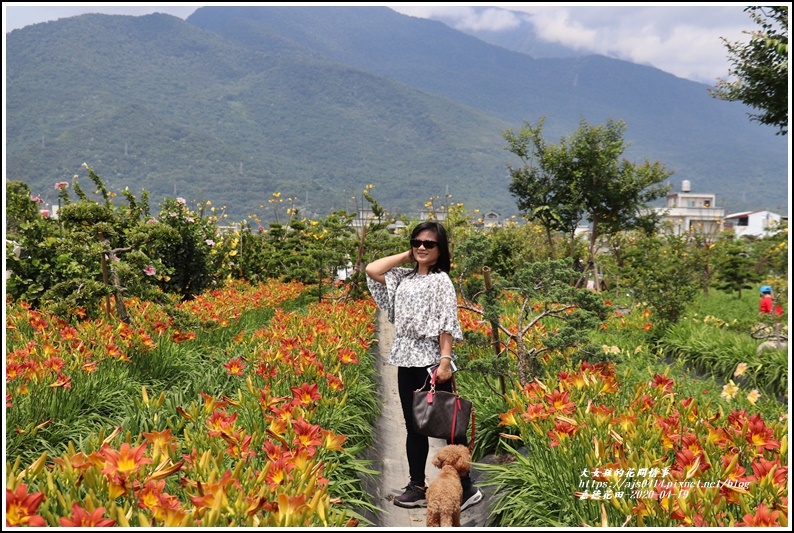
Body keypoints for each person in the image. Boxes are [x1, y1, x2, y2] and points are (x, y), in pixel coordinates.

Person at [365, 220, 482, 510]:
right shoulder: (404, 277)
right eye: (416, 242)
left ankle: (465, 488)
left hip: (430, 359)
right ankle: (417, 485)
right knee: (414, 425)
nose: (421, 247)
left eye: (429, 244)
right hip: (405, 358)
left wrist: (445, 361)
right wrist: (408, 255)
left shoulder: (441, 281)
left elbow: (446, 324)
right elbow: (372, 269)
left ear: (441, 250)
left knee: (449, 426)